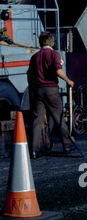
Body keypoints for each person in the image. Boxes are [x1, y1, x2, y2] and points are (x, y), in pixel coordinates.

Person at [27, 31, 75, 159]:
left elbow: (29, 75)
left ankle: (34, 151)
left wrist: (33, 89)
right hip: (51, 90)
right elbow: (58, 71)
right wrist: (68, 81)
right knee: (59, 118)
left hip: (38, 90)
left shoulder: (34, 57)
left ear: (40, 42)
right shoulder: (54, 54)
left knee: (37, 121)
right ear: (53, 43)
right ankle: (67, 146)